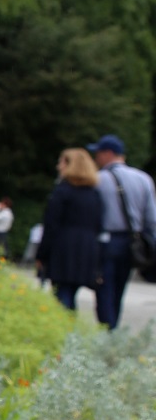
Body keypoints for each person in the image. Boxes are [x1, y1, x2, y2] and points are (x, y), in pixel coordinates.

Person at [90, 133, 156, 331]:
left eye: (98, 154)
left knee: (104, 286)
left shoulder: (99, 179)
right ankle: (113, 328)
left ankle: (107, 329)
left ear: (108, 154)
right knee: (119, 288)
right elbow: (151, 218)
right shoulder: (143, 179)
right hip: (132, 242)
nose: (96, 159)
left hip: (107, 240)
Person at [36, 149, 104, 312]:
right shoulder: (94, 194)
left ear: (69, 165)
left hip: (64, 247)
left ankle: (65, 331)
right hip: (87, 248)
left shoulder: (62, 191)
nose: (58, 166)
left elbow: (51, 225)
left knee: (61, 295)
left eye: (61, 162)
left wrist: (42, 255)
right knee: (70, 293)